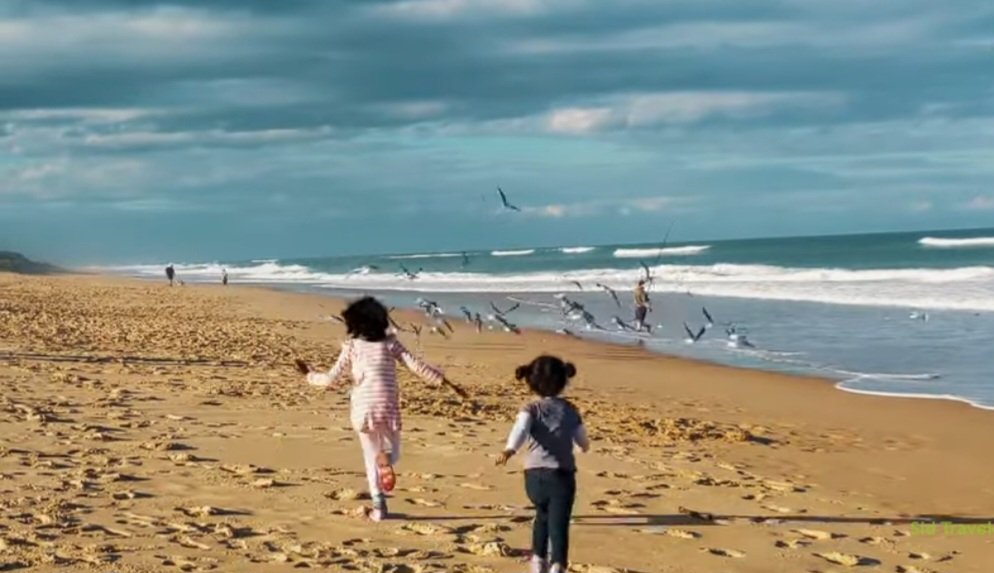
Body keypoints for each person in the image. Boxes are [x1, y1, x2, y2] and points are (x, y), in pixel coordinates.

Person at [295, 296, 467, 521]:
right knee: (392, 453)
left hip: (363, 408)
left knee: (370, 458)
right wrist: (448, 383)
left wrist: (308, 375)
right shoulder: (390, 344)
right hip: (387, 406)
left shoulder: (352, 347)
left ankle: (379, 508)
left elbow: (329, 379)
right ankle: (386, 459)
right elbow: (416, 366)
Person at [497, 355, 590, 573]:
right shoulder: (570, 409)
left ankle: (538, 561)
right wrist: (583, 447)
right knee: (559, 524)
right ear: (563, 380)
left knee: (542, 516)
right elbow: (582, 439)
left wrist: (510, 449)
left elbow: (520, 430)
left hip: (533, 477)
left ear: (530, 381)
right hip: (561, 475)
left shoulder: (531, 409)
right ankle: (558, 564)